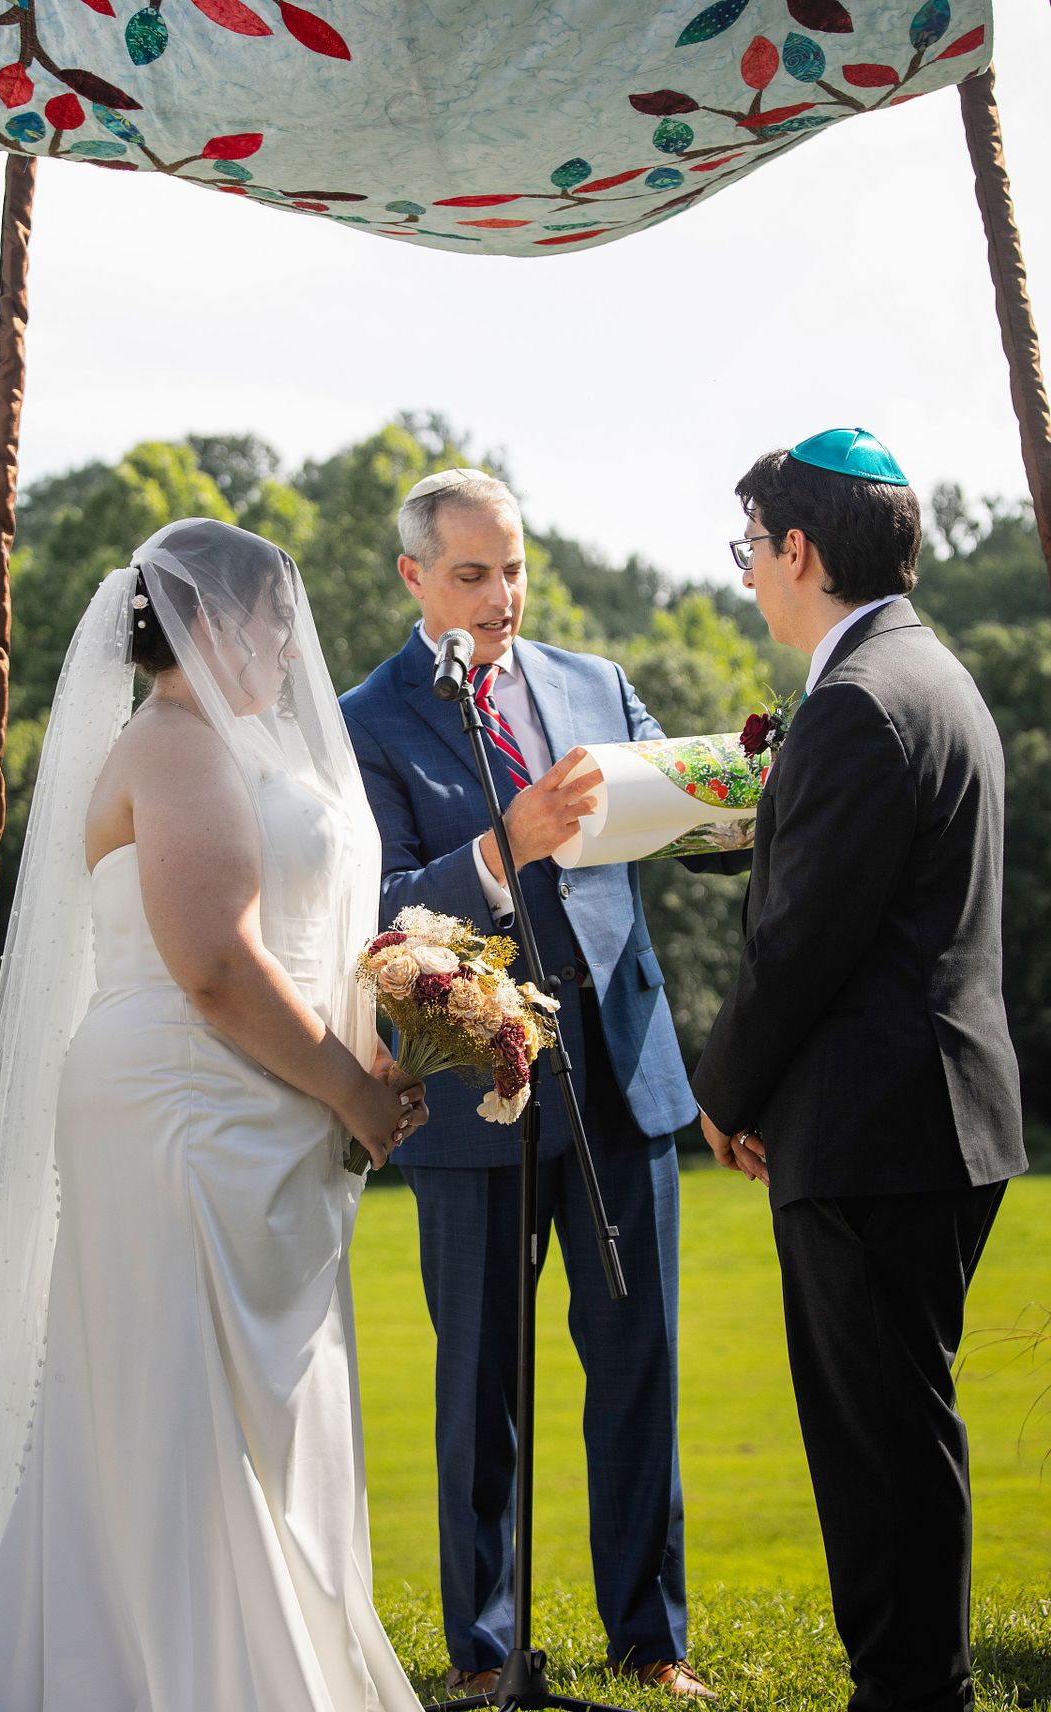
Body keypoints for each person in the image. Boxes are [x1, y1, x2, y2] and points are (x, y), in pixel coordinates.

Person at [0, 519, 429, 1711]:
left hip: (254, 1107)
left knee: (243, 1408)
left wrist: (393, 1029)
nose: (287, 643)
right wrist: (355, 1090)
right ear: (213, 622)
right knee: (178, 1402)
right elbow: (214, 965)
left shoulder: (243, 752)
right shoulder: (170, 746)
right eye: (273, 618)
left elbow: (291, 935)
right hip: (179, 1109)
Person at [340, 470, 716, 1699]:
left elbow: (681, 817)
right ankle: (485, 1653)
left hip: (620, 1079)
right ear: (414, 577)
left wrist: (740, 793)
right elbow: (381, 909)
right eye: (472, 575)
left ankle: (650, 1640)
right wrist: (504, 846)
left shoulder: (594, 686)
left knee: (640, 1363)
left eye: (513, 570)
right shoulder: (364, 721)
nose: (502, 598)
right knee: (480, 1391)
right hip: (472, 1097)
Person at [693, 430, 1028, 1712]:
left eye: (751, 551)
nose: (748, 580)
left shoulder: (855, 700)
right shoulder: (928, 673)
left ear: (801, 549)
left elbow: (799, 944)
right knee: (902, 1426)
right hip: (942, 1118)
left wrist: (722, 1092)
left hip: (877, 1130)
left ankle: (905, 1689)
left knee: (876, 1441)